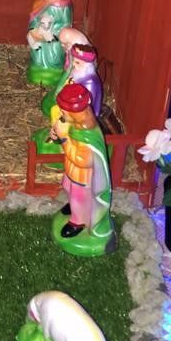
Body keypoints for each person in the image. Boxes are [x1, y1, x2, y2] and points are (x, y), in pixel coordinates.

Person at [50, 83, 116, 253]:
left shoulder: (88, 135)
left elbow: (83, 160)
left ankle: (78, 221)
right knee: (68, 187)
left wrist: (64, 139)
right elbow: (65, 140)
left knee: (79, 197)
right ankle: (75, 209)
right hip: (72, 169)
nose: (61, 114)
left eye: (64, 111)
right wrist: (56, 136)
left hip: (83, 175)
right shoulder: (71, 124)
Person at [27, 0, 73, 85]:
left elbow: (66, 23)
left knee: (54, 57)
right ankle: (37, 69)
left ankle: (55, 72)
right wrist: (33, 29)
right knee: (36, 54)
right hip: (39, 32)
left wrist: (53, 33)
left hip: (55, 36)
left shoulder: (63, 5)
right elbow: (33, 18)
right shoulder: (40, 1)